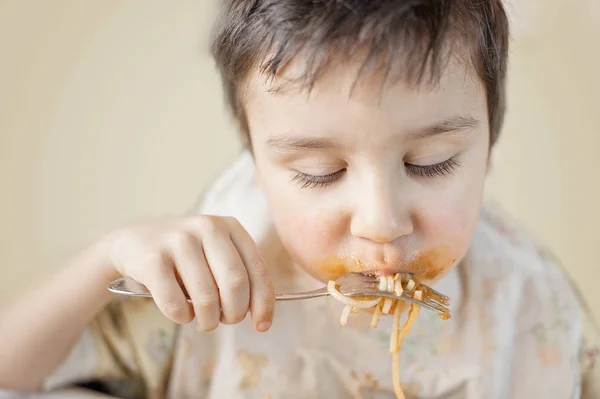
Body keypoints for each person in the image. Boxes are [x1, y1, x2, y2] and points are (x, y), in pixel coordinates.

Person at [0, 1, 598, 398]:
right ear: (256, 165)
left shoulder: (528, 303)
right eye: (319, 172)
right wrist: (106, 257)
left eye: (429, 163)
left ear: (489, 145)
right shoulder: (210, 281)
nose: (382, 222)